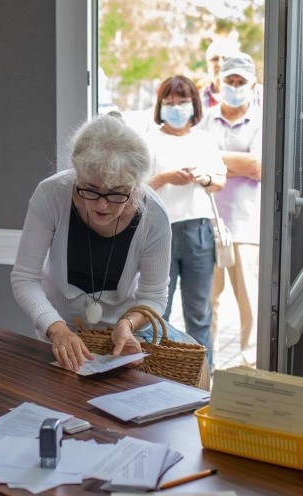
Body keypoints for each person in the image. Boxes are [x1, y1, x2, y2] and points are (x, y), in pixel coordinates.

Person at [11, 113, 194, 373]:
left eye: (117, 192)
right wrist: (56, 328)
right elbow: (24, 278)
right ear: (77, 175)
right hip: (58, 334)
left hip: (119, 342)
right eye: (90, 189)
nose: (102, 204)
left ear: (136, 185)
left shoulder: (154, 216)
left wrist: (128, 324)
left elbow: (153, 296)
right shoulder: (51, 195)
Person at [144, 75, 227, 369]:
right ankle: (154, 373)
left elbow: (219, 180)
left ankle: (204, 377)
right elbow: (138, 186)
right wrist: (167, 177)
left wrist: (204, 178)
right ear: (160, 106)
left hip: (199, 233)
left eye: (183, 101)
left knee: (199, 314)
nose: (177, 107)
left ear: (194, 104)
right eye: (170, 102)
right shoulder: (149, 140)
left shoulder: (204, 139)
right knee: (157, 312)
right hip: (159, 233)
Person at [199, 52, 263, 367]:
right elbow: (194, 157)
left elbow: (258, 166)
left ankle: (248, 373)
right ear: (218, 82)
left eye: (241, 82)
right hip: (206, 224)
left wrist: (214, 161)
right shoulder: (205, 119)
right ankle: (205, 372)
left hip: (247, 226)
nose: (235, 87)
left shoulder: (263, 120)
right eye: (230, 81)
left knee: (250, 305)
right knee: (205, 304)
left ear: (253, 84)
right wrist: (238, 163)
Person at [200, 37, 263, 112]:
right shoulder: (199, 98)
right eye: (215, 59)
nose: (220, 64)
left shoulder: (260, 94)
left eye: (225, 58)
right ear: (207, 64)